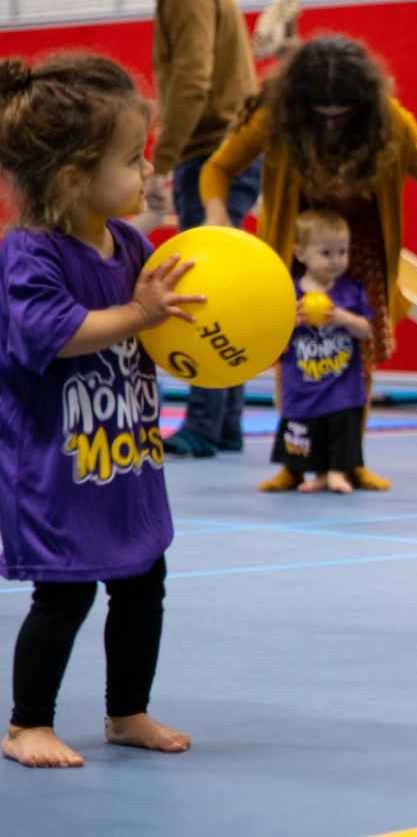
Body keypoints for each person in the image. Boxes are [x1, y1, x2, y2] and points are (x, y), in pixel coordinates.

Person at [0, 54, 196, 768]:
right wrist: (139, 312)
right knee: (65, 594)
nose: (146, 173)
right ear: (74, 178)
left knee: (145, 581)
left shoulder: (133, 245)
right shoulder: (30, 255)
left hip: (124, 457)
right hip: (57, 462)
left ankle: (126, 712)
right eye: (132, 160)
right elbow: (55, 335)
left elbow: (163, 330)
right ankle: (27, 725)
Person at [198, 35, 417, 492]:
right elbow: (217, 169)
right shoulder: (274, 120)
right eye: (321, 113)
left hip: (361, 254)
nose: (332, 121)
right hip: (296, 249)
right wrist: (218, 216)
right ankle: (296, 462)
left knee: (358, 358)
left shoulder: (392, 123)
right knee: (293, 355)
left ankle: (349, 460)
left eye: (343, 113)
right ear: (301, 104)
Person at [115, 0, 264, 459]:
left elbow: (192, 81)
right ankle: (224, 424)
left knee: (202, 293)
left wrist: (167, 158)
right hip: (229, 150)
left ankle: (204, 424)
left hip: (210, 154)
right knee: (219, 286)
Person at [270, 210, 373, 495]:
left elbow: (366, 329)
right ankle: (315, 473)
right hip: (304, 384)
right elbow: (273, 333)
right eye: (326, 253)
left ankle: (337, 472)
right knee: (306, 430)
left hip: (341, 383)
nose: (336, 260)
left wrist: (344, 318)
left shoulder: (351, 292)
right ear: (300, 254)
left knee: (342, 428)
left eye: (342, 252)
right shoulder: (289, 292)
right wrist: (292, 321)